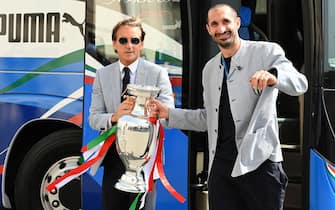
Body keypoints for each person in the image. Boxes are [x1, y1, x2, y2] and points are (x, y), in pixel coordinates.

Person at [149, 3, 308, 210]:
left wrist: (274, 76)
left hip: (260, 165)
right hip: (221, 170)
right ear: (208, 30)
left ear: (238, 23)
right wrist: (169, 114)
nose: (221, 29)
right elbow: (208, 119)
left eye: (226, 21)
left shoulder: (266, 51)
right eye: (214, 24)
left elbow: (300, 83)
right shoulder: (209, 69)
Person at [88, 17, 174, 210]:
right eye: (123, 40)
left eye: (134, 40)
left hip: (146, 159)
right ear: (114, 44)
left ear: (141, 44)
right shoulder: (102, 75)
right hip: (112, 159)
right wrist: (114, 117)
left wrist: (152, 111)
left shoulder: (158, 73)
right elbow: (93, 118)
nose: (129, 45)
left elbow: (170, 116)